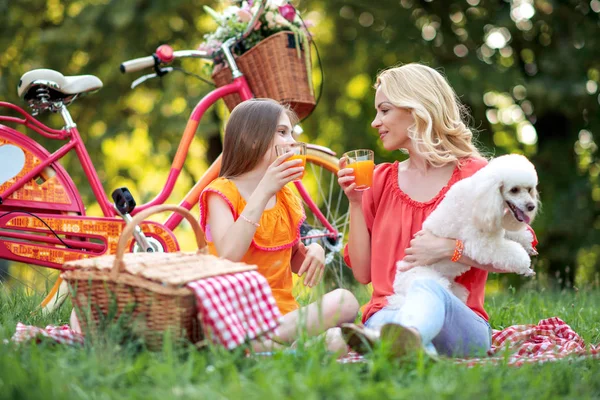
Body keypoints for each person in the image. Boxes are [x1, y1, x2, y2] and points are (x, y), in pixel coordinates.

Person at [337, 63, 537, 358]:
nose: (375, 122)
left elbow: (523, 247)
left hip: (460, 325)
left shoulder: (476, 177)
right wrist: (355, 202)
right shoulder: (378, 181)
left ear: (417, 109)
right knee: (386, 321)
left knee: (427, 288)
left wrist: (449, 249)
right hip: (388, 313)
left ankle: (407, 342)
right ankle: (417, 353)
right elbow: (364, 273)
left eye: (384, 110)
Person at [200, 98, 359, 353]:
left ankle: (278, 349)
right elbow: (229, 255)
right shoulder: (221, 193)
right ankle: (271, 345)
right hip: (239, 317)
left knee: (346, 302)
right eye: (282, 133)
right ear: (252, 139)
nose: (293, 142)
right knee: (339, 339)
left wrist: (315, 251)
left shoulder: (287, 197)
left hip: (285, 318)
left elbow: (294, 261)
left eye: (291, 133)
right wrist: (263, 191)